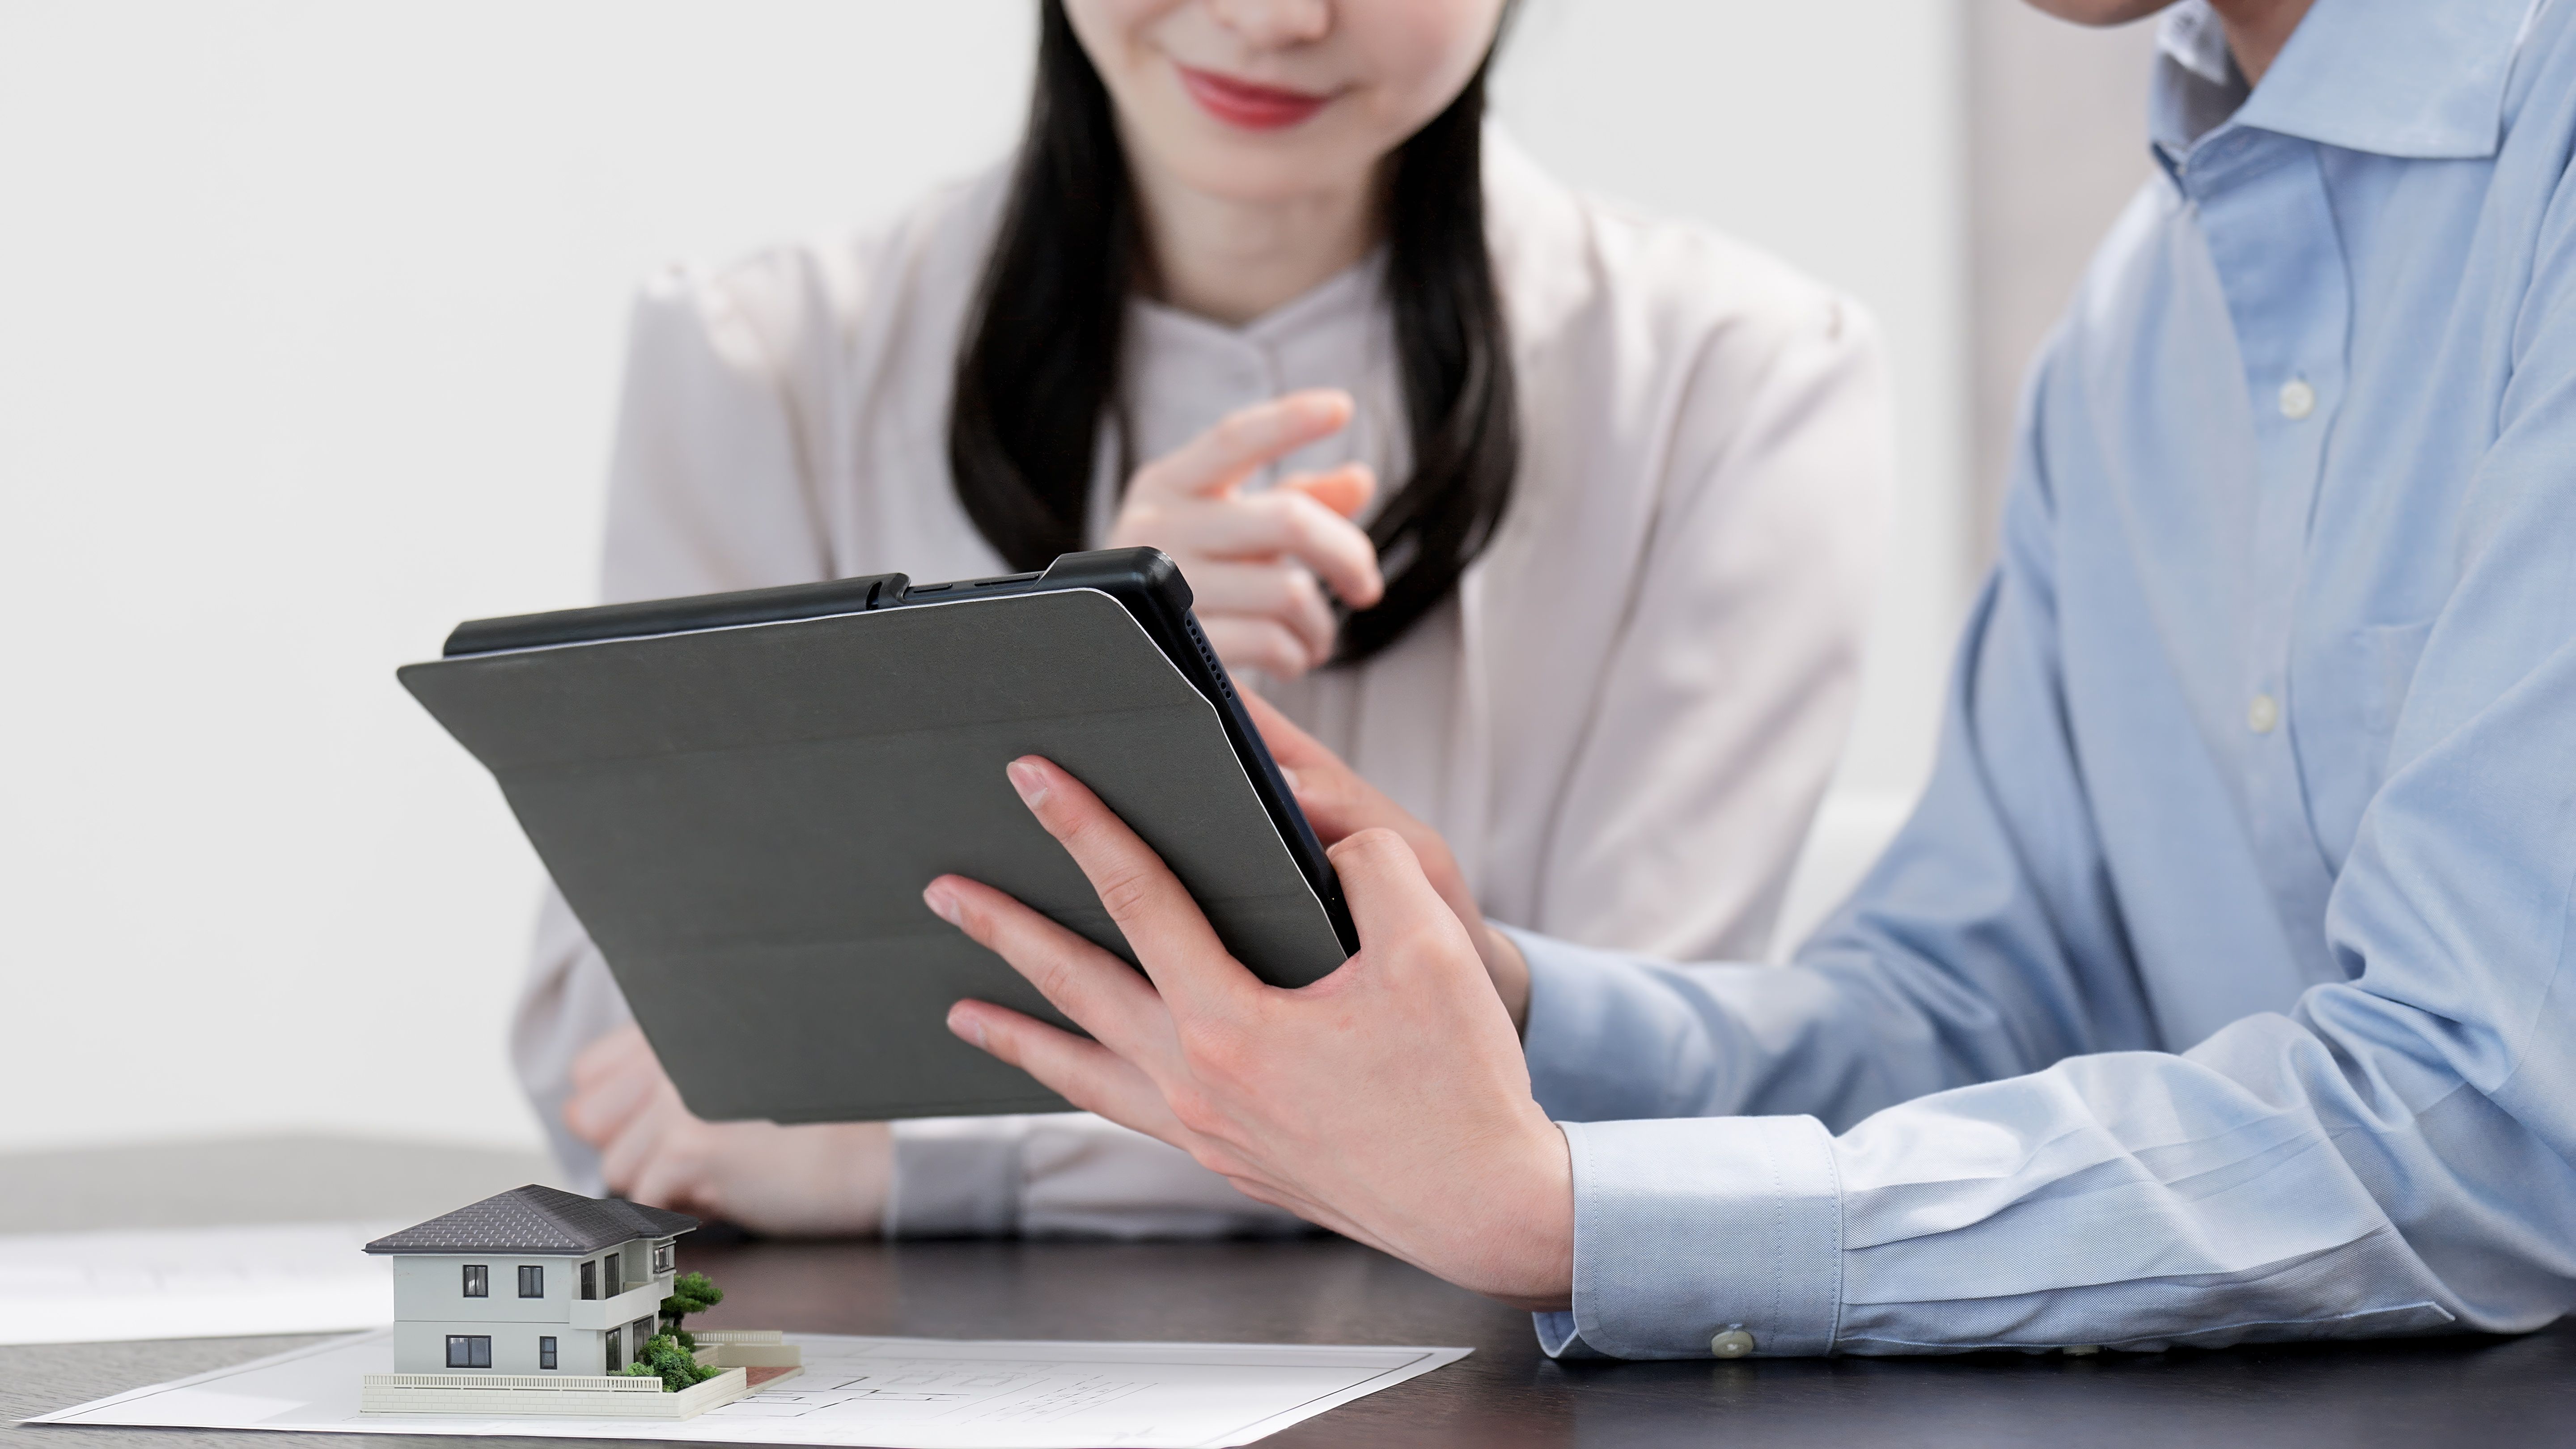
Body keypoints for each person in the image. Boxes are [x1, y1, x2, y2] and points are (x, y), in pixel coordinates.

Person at [924, 0, 2576, 1356]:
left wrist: (1566, 1214)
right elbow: (1970, 1014)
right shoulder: (2137, 328)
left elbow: (2488, 1128)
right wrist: (1504, 1003)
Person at [518, 0, 1894, 1237]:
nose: (1274, 17)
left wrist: (915, 1161)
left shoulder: (1742, 388)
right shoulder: (768, 358)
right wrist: (1054, 671)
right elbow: (619, 1077)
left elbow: (1636, 1105)